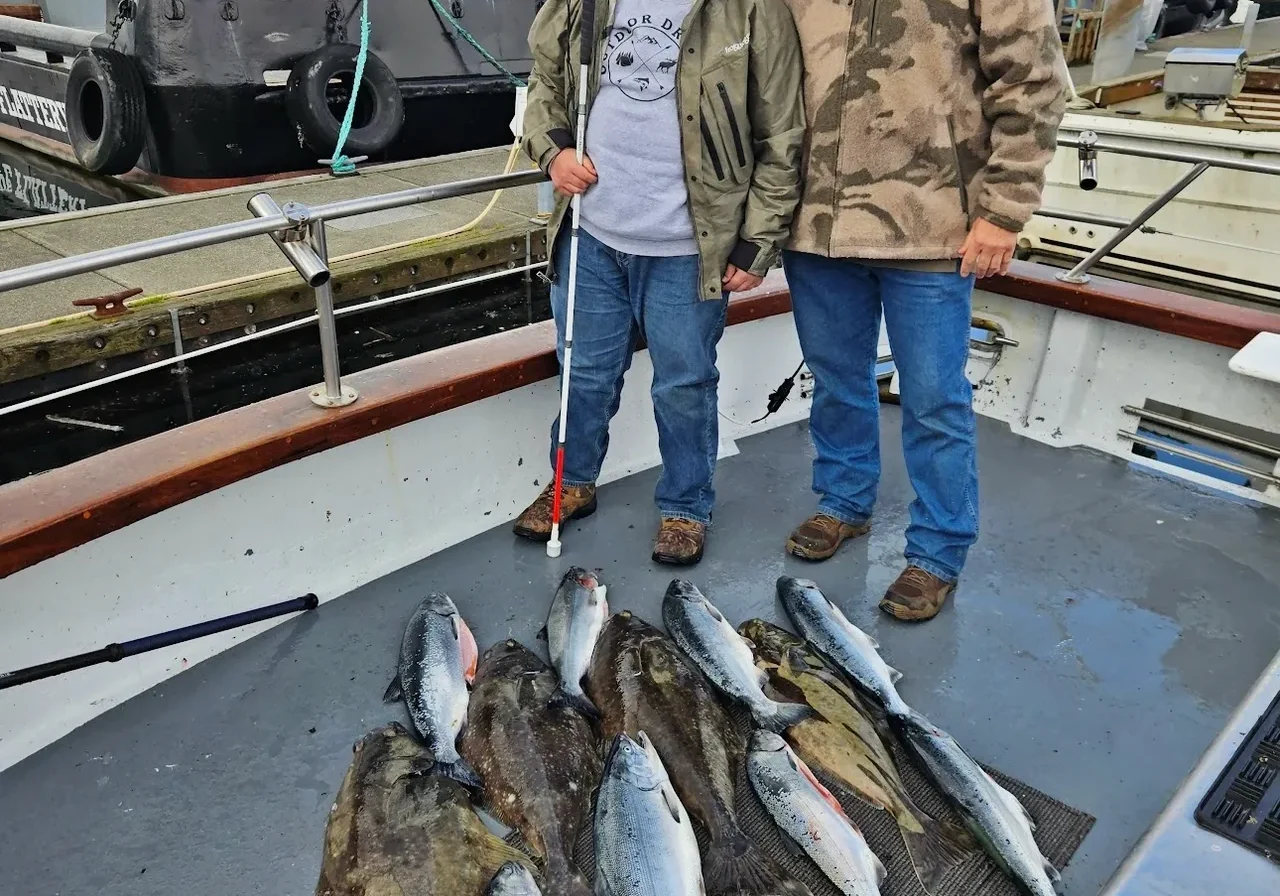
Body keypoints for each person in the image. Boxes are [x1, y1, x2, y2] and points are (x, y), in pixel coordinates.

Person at [782, 1, 1068, 618]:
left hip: (932, 224)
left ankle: (937, 553)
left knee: (935, 398)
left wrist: (1003, 211)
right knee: (836, 381)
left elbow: (1034, 79)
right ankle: (843, 501)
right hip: (814, 226)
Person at [513, 0, 804, 565]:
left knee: (685, 384)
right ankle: (571, 482)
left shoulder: (752, 8)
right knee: (583, 373)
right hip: (591, 236)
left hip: (688, 249)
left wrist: (757, 242)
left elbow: (782, 133)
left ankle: (686, 508)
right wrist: (553, 152)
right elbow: (544, 79)